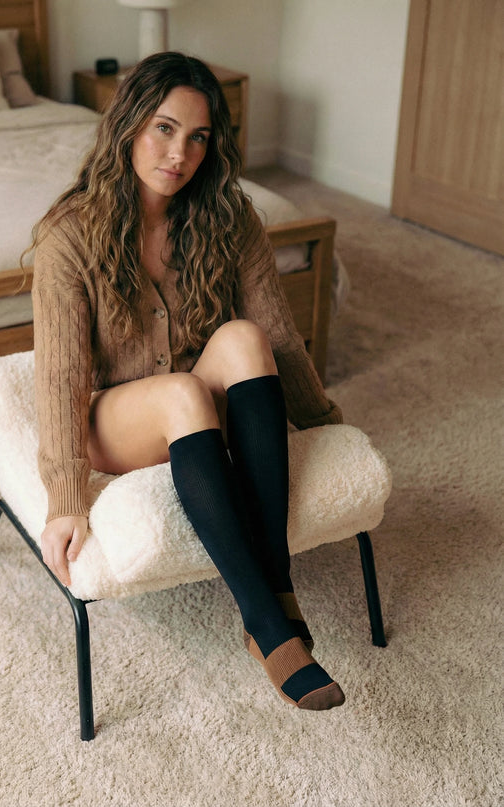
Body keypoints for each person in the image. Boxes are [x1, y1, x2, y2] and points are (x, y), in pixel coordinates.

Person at [30, 52, 345, 711]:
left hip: (195, 396)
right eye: (164, 129)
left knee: (244, 338)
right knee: (181, 393)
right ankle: (263, 617)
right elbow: (59, 377)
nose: (180, 153)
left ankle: (279, 588)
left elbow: (280, 335)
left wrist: (319, 416)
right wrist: (65, 495)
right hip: (114, 419)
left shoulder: (227, 217)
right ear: (128, 125)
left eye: (198, 137)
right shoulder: (70, 235)